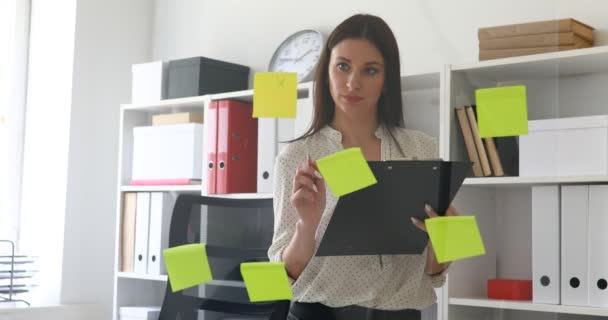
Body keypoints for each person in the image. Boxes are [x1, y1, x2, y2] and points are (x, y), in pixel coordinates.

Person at [267, 13, 458, 320]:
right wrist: (306, 226)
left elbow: (435, 273)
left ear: (386, 80)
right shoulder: (298, 157)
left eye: (370, 70)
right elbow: (283, 276)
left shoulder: (421, 149)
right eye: (343, 66)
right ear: (326, 71)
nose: (353, 83)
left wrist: (445, 237)